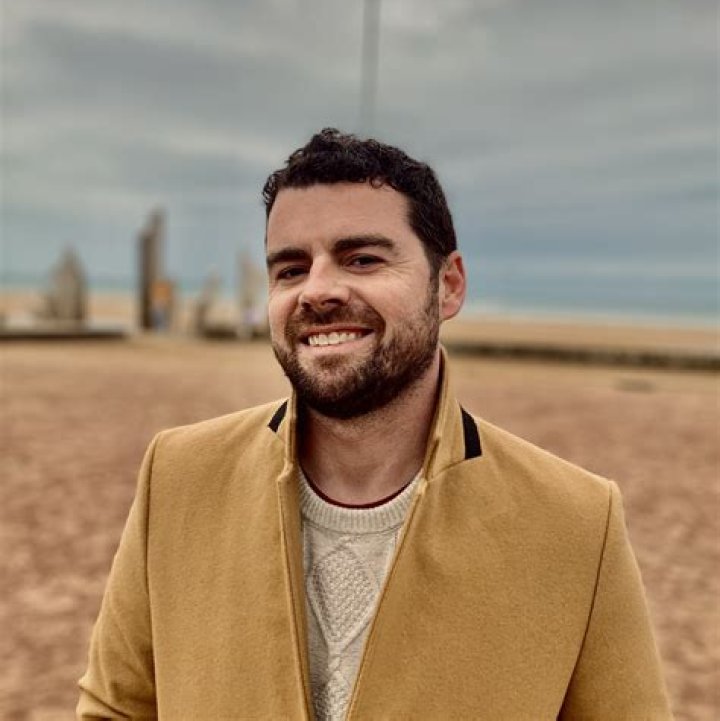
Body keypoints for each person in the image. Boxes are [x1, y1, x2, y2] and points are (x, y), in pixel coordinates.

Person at [78, 128, 672, 720]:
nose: (318, 291)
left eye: (362, 259)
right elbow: (116, 708)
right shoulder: (178, 477)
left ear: (448, 285)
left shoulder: (577, 522)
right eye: (290, 269)